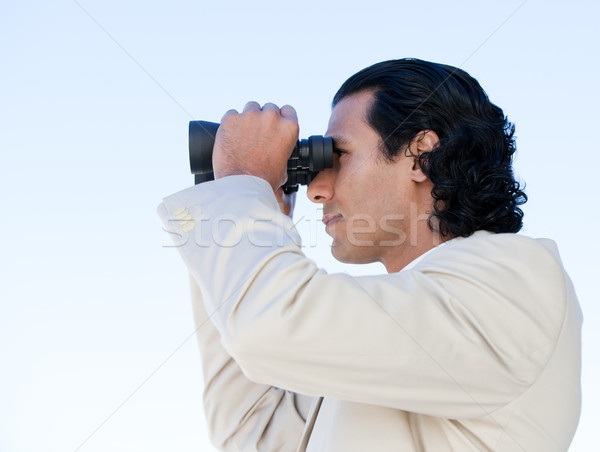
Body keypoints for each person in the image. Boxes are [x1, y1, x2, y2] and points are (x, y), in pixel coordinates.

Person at [158, 59, 582, 451]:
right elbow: (254, 430)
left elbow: (268, 329)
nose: (316, 190)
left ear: (422, 156)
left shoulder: (517, 280)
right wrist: (239, 204)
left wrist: (241, 188)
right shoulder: (395, 343)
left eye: (337, 155)